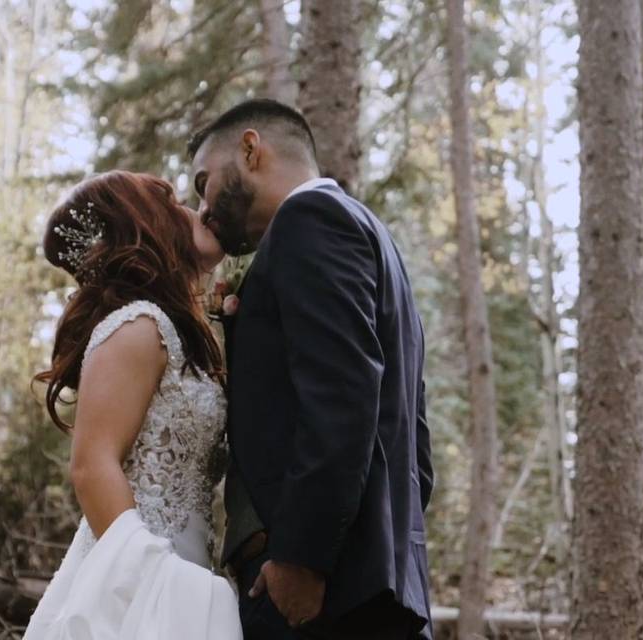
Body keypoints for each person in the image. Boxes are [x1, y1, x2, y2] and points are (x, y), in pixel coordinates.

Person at [188, 98, 434, 639]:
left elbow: (341, 398)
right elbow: (412, 435)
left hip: (316, 591)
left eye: (203, 182)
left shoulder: (309, 220)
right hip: (374, 585)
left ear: (251, 149)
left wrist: (303, 557)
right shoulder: (371, 236)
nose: (202, 208)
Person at [24, 170, 243, 640]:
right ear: (143, 223)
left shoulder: (174, 333)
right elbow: (91, 463)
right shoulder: (138, 326)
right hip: (136, 587)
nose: (191, 208)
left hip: (186, 567)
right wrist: (153, 583)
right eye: (170, 200)